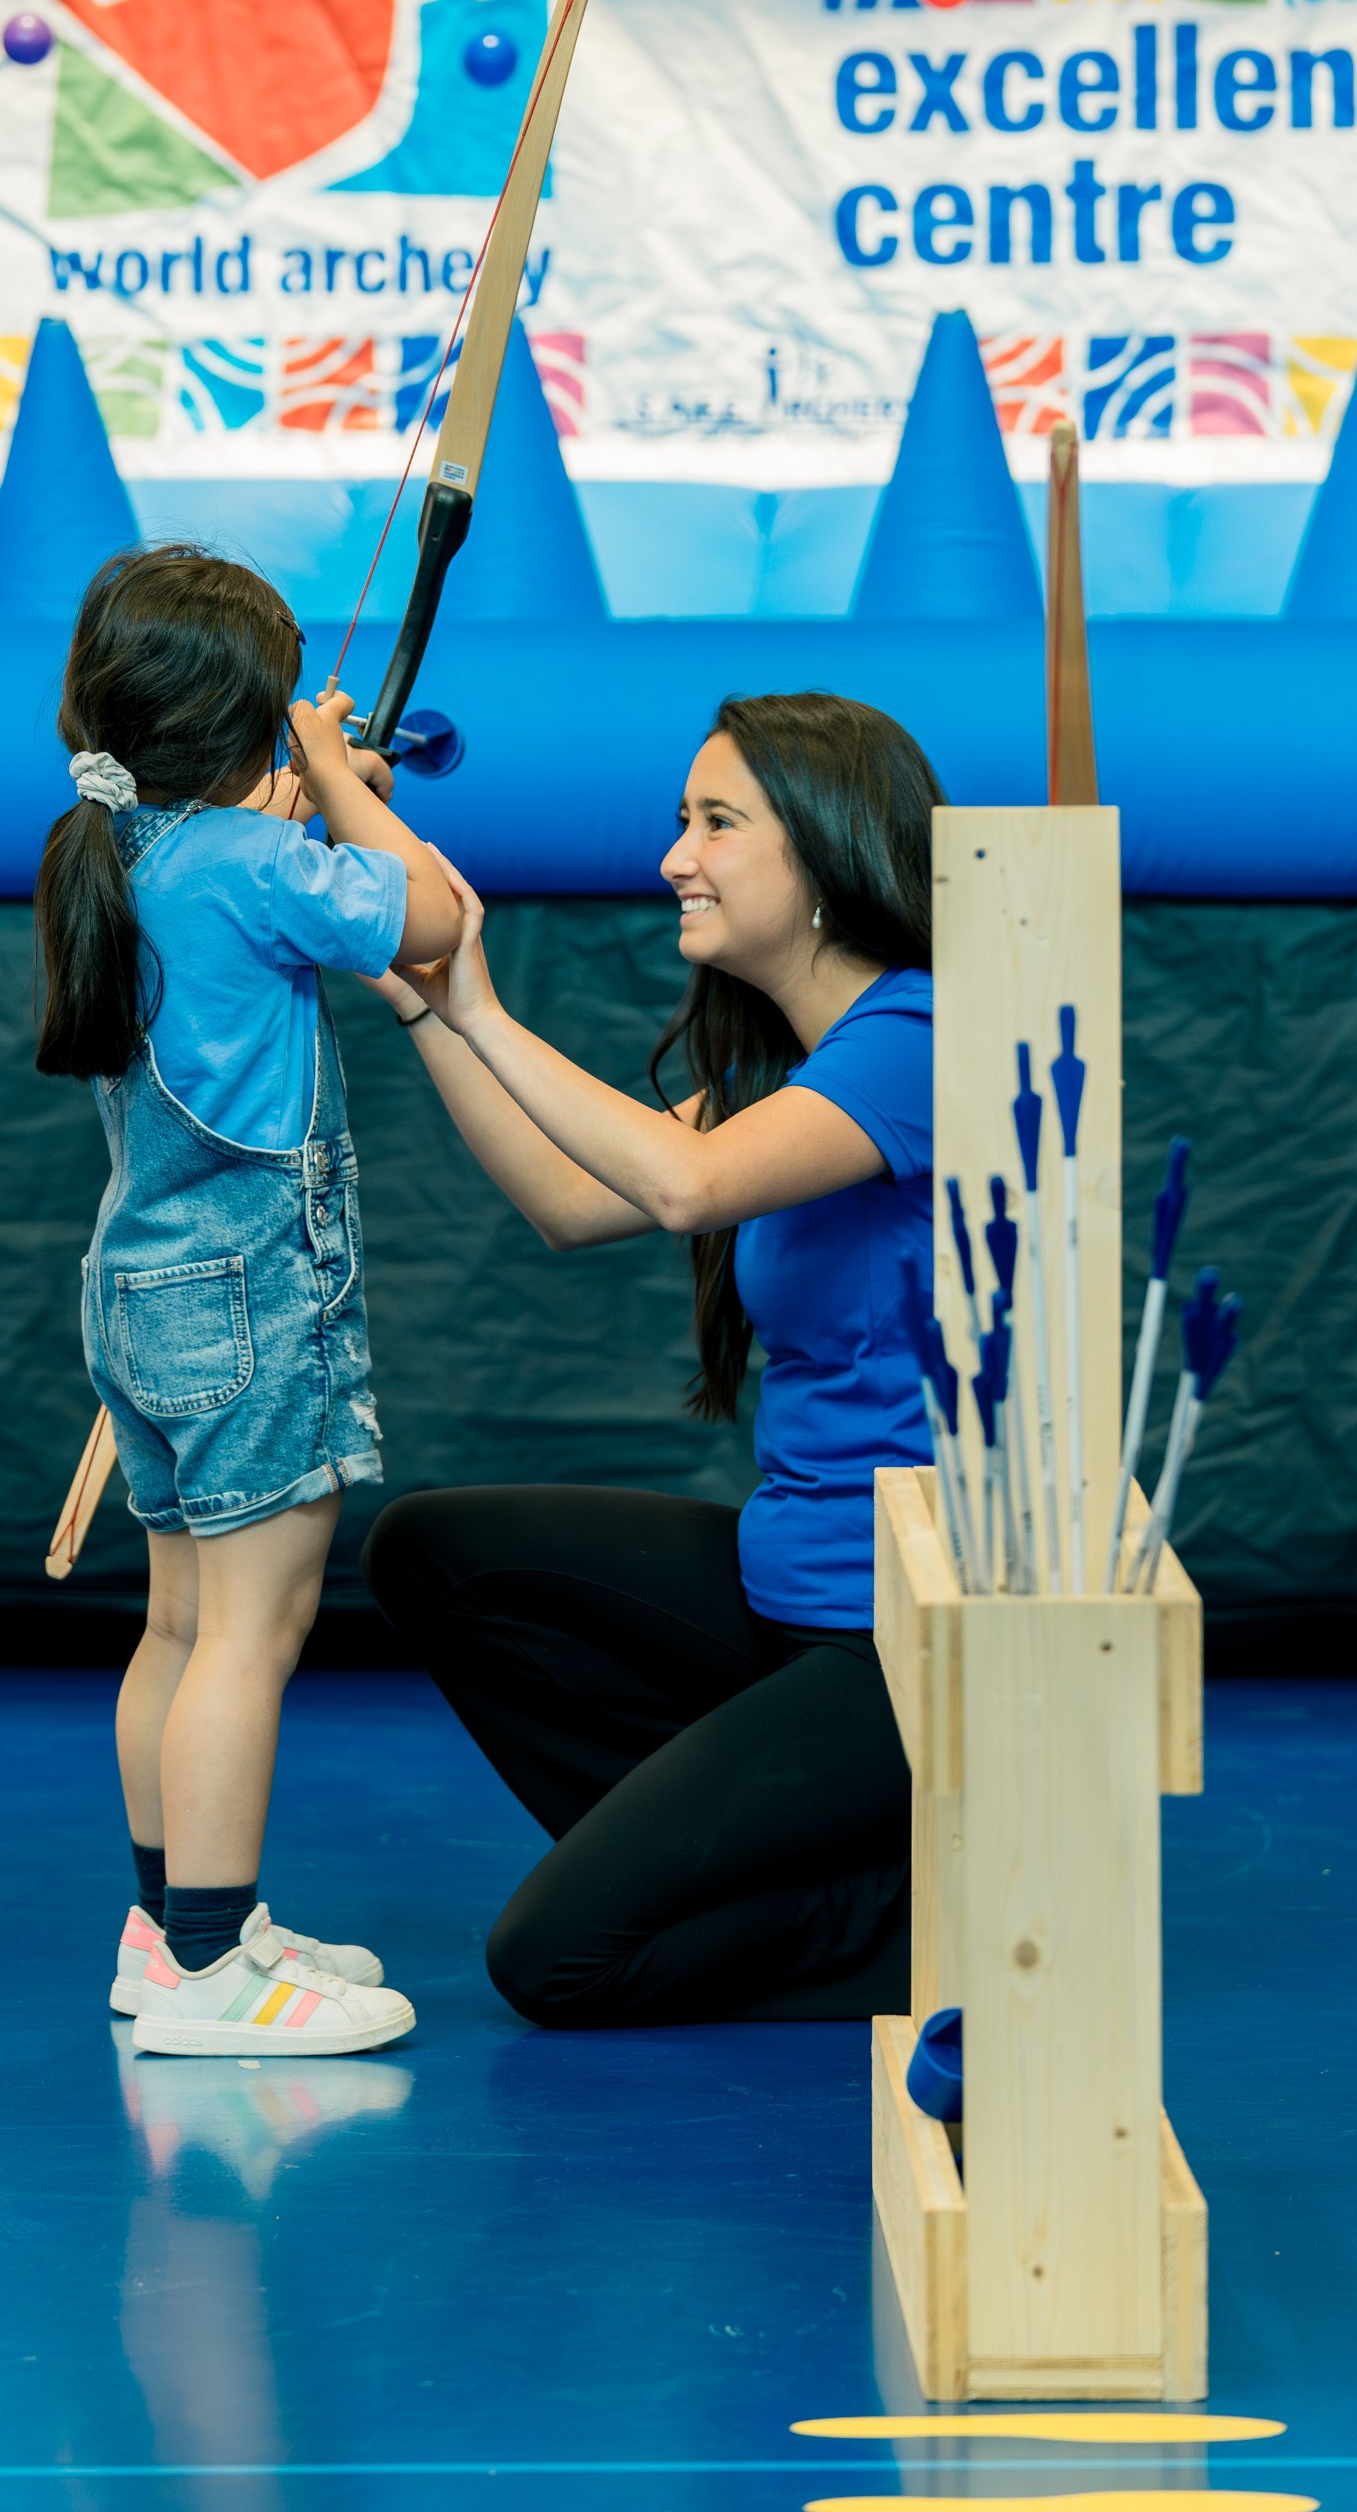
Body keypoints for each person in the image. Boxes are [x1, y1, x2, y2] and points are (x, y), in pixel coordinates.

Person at [362, 691, 940, 2028]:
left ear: (829, 850)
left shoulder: (920, 1038)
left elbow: (681, 1189)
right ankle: (739, 1860)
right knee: (434, 1551)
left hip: (897, 1647)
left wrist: (489, 1004)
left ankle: (903, 1918)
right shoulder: (794, 1071)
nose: (675, 856)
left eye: (718, 823)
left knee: (554, 1961)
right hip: (788, 1598)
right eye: (682, 820)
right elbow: (571, 1202)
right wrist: (430, 1006)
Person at [35, 545, 461, 2055]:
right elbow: (433, 914)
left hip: (141, 1299)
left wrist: (286, 775)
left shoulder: (132, 851)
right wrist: (341, 776)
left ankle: (170, 1936)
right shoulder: (249, 864)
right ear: (247, 723)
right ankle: (214, 1978)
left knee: (176, 1625)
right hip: (245, 1301)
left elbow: (281, 891)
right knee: (248, 1636)